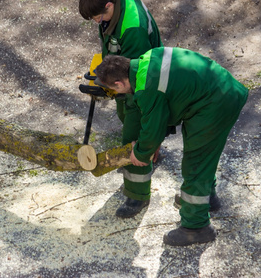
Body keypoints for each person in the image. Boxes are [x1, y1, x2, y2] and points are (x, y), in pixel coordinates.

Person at [94, 47, 249, 246]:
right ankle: (206, 198)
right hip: (217, 90)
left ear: (119, 82)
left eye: (115, 90)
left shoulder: (146, 87)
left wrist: (140, 153)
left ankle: (196, 227)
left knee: (197, 161)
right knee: (203, 156)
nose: (117, 93)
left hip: (215, 102)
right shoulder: (146, 59)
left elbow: (153, 129)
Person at [79, 0, 167, 218]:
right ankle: (153, 147)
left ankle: (137, 195)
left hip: (140, 80)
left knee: (133, 133)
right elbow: (112, 43)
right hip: (123, 68)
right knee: (124, 116)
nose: (97, 22)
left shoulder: (133, 30)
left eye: (99, 16)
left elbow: (134, 81)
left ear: (109, 5)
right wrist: (102, 74)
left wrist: (110, 89)